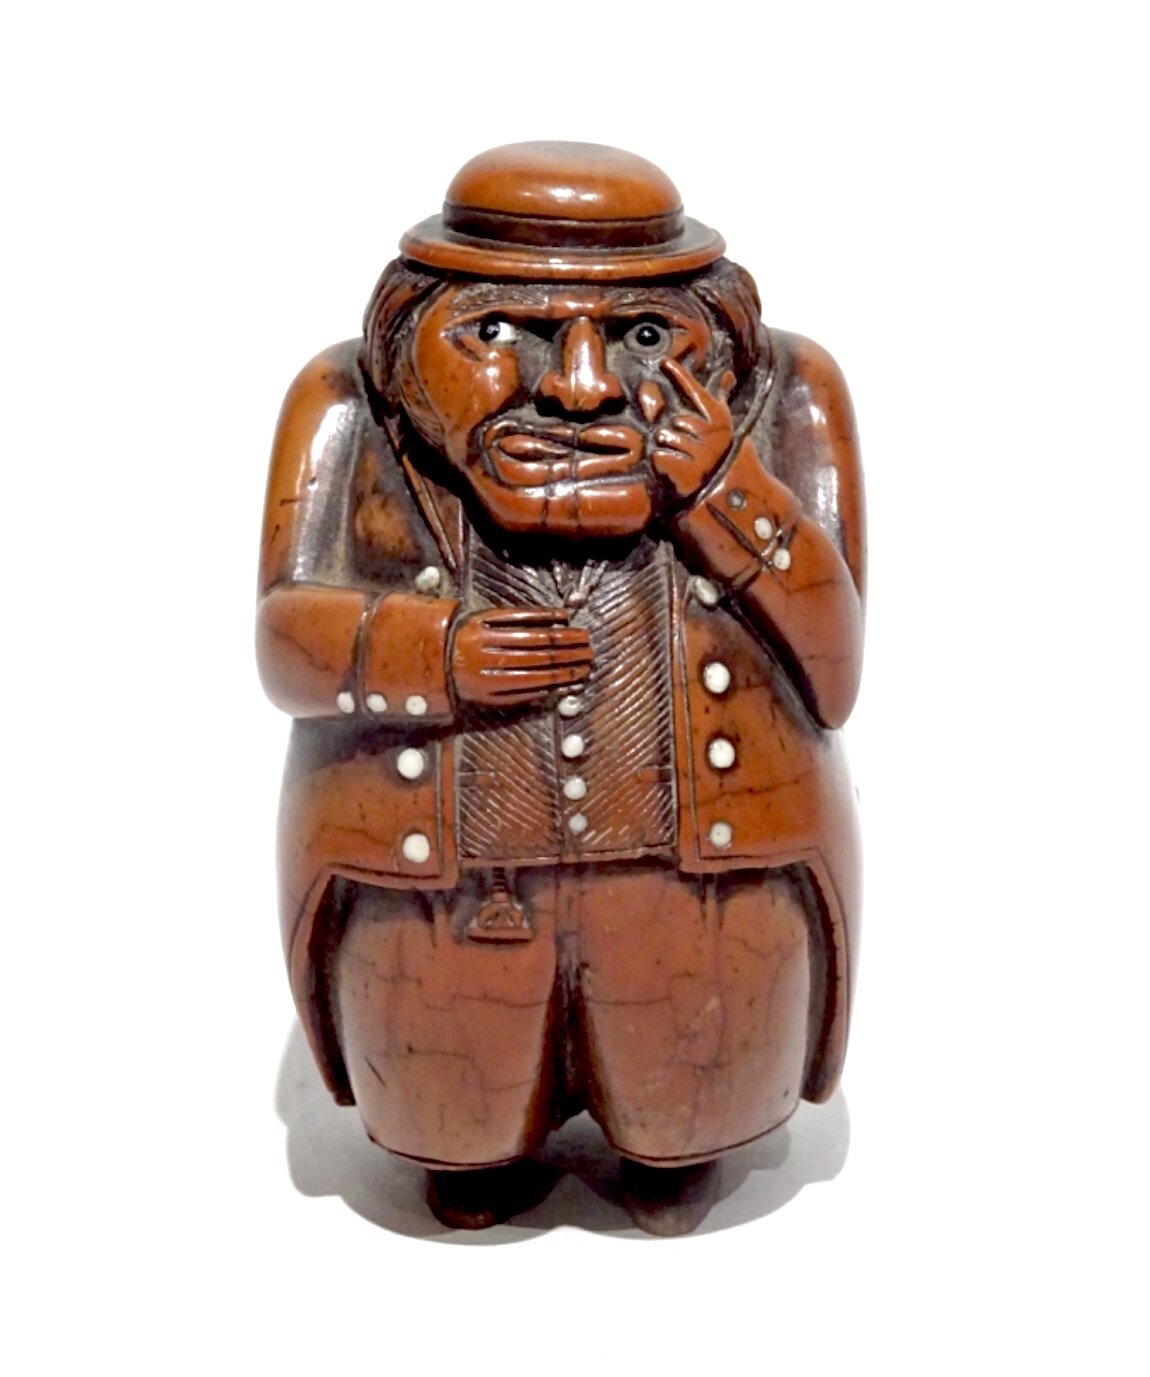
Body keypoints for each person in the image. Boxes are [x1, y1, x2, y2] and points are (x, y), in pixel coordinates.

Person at [257, 141, 866, 1232]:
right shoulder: (346, 402)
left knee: (685, 1109)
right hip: (439, 891)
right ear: (409, 338)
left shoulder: (789, 395)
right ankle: (471, 1168)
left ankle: (672, 1160)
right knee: (458, 1116)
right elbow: (283, 644)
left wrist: (722, 492)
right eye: (499, 334)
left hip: (704, 886)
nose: (581, 388)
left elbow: (834, 672)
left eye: (644, 339)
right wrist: (432, 653)